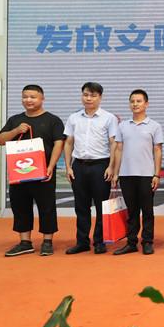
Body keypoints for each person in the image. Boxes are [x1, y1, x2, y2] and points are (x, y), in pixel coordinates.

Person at [0, 85, 65, 257]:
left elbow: (59, 143)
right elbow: (0, 140)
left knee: (47, 207)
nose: (28, 100)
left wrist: (51, 166)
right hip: (19, 173)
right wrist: (16, 130)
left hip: (43, 172)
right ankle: (25, 242)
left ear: (42, 99)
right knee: (20, 206)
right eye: (25, 97)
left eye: (33, 97)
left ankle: (47, 241)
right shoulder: (15, 120)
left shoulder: (53, 120)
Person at [63, 82, 118, 255]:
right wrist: (68, 166)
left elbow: (113, 144)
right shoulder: (73, 118)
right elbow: (68, 143)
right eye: (86, 94)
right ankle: (82, 242)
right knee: (81, 206)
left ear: (100, 97)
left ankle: (100, 241)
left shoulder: (109, 118)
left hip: (100, 166)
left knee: (102, 207)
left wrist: (111, 166)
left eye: (93, 95)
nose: (89, 98)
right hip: (78, 166)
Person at [112, 89, 163, 255]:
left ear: (146, 104)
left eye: (139, 101)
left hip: (147, 175)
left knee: (147, 210)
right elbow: (118, 149)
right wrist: (116, 172)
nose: (135, 104)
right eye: (132, 101)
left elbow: (157, 151)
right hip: (126, 175)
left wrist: (157, 174)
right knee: (131, 211)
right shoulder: (123, 126)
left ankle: (147, 241)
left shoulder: (154, 126)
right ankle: (131, 242)